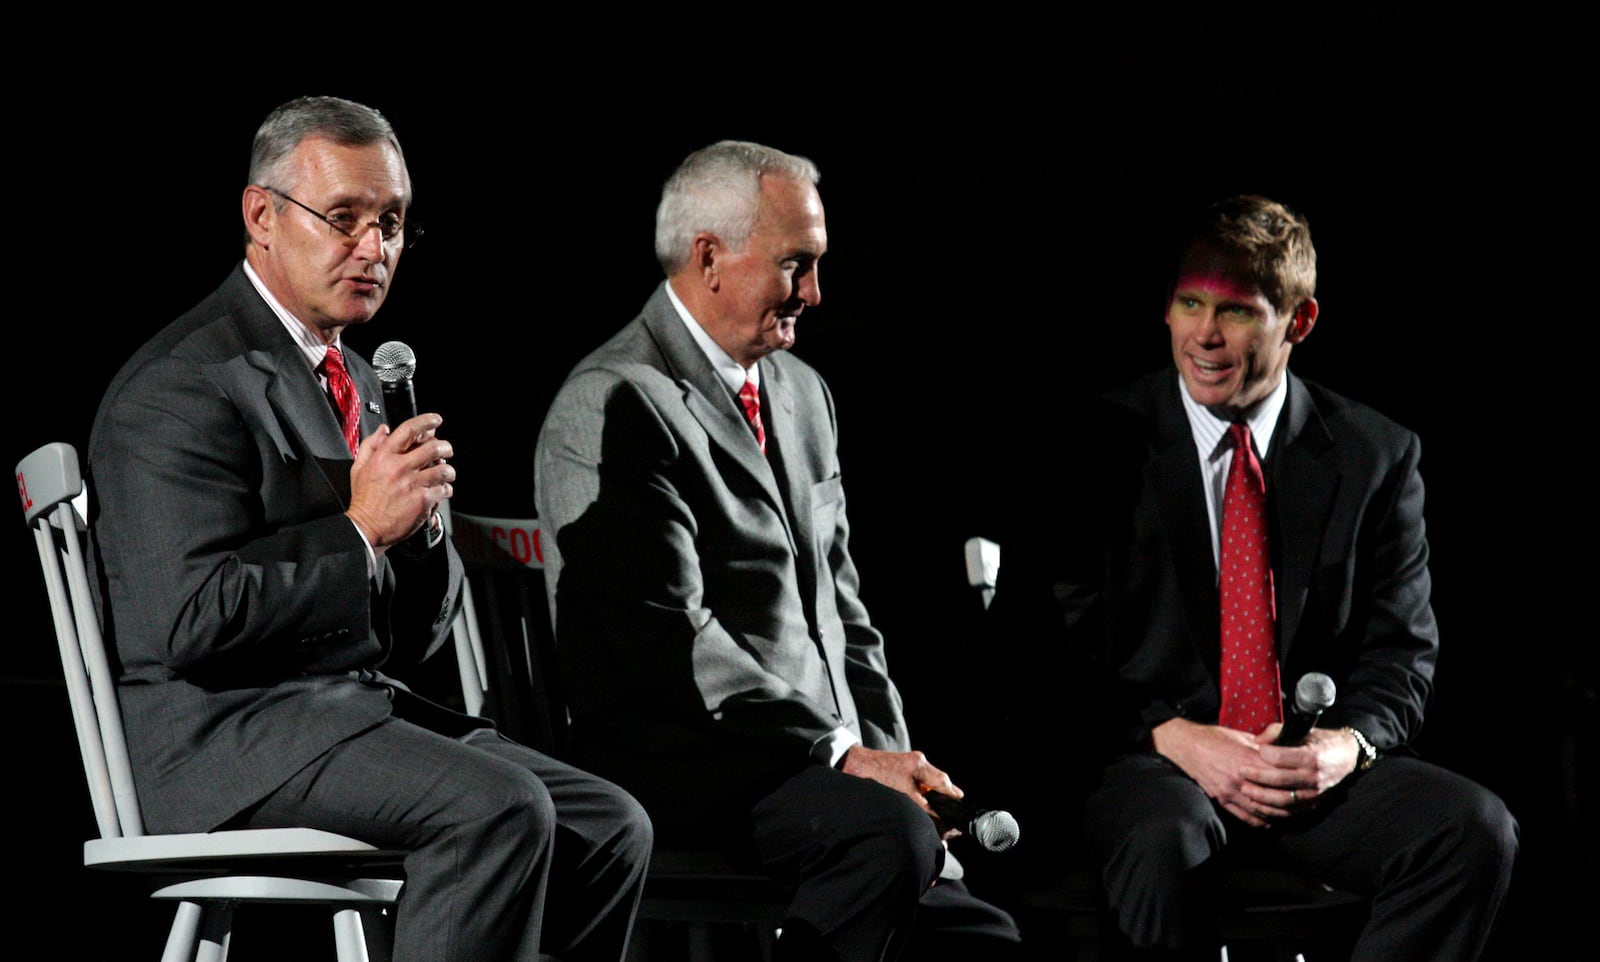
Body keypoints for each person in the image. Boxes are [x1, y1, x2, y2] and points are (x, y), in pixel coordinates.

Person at [86, 96, 650, 962]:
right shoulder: (183, 383)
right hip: (225, 744)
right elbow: (186, 618)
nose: (373, 248)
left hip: (345, 716)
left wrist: (417, 531)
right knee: (496, 808)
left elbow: (410, 639)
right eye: (343, 219)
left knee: (609, 825)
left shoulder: (353, 374)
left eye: (390, 223)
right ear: (262, 216)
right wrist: (358, 530)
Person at [534, 141, 1020, 961]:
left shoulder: (801, 392)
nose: (816, 293)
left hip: (825, 773)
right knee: (885, 845)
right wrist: (846, 754)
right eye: (797, 265)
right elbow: (667, 640)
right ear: (710, 257)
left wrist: (898, 760)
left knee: (983, 938)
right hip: (691, 763)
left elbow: (845, 614)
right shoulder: (615, 398)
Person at [1012, 195, 1518, 959]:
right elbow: (1054, 650)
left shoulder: (1375, 455)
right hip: (1162, 762)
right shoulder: (1097, 446)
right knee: (1158, 841)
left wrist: (1345, 745)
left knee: (1472, 830)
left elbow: (1402, 655)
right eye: (1190, 304)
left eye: (1238, 312)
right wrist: (1175, 736)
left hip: (1308, 771)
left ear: (1300, 322)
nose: (1205, 336)